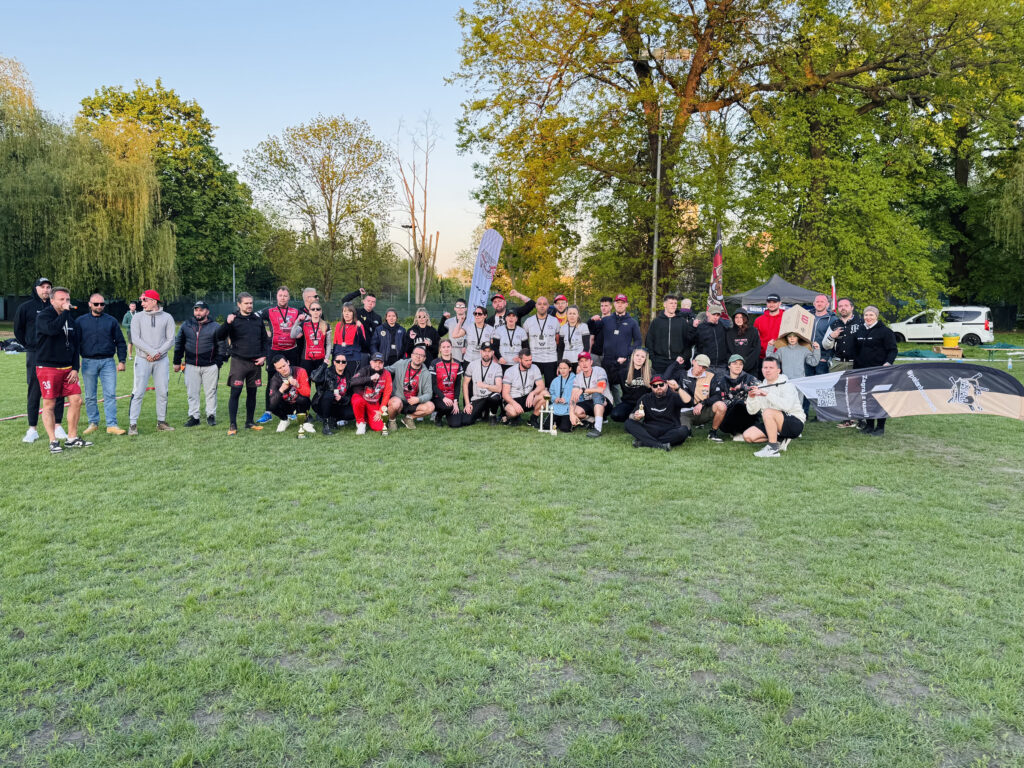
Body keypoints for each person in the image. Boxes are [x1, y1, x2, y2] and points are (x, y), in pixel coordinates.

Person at [34, 286, 92, 453]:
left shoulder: (70, 320)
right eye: (62, 299)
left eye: (67, 299)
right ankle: (53, 441)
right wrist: (65, 312)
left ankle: (72, 438)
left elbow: (75, 345)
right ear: (52, 301)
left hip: (68, 369)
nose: (66, 302)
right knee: (49, 404)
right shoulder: (43, 316)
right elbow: (52, 330)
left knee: (76, 400)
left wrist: (75, 368)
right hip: (48, 367)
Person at [14, 277, 66, 443]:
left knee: (58, 390)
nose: (45, 290)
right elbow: (18, 330)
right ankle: (32, 429)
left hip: (55, 354)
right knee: (34, 390)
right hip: (35, 354)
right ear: (36, 289)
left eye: (48, 287)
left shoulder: (56, 307)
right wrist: (30, 345)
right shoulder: (25, 307)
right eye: (42, 287)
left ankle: (58, 426)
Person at [215, 292, 270, 435]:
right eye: (246, 303)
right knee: (235, 393)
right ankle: (232, 425)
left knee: (252, 393)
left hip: (255, 363)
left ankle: (249, 422)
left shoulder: (257, 320)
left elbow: (265, 340)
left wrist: (264, 356)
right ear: (239, 304)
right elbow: (219, 336)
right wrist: (227, 323)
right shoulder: (233, 319)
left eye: (251, 303)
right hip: (239, 362)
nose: (249, 305)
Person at [75, 292, 128, 436]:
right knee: (90, 396)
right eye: (96, 304)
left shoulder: (111, 321)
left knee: (110, 394)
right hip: (88, 362)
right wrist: (75, 361)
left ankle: (112, 425)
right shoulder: (80, 321)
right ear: (90, 304)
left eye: (102, 304)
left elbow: (120, 342)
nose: (99, 306)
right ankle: (93, 423)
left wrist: (122, 361)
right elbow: (75, 343)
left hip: (108, 362)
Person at [128, 289, 176, 435]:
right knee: (138, 391)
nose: (142, 303)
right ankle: (132, 424)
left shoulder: (167, 317)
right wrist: (152, 353)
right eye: (141, 300)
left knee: (162, 391)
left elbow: (171, 340)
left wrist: (157, 354)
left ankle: (161, 422)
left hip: (161, 360)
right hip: (142, 359)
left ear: (154, 301)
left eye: (145, 300)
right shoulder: (137, 317)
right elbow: (135, 339)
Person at [173, 300, 225, 427]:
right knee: (192, 393)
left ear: (207, 311)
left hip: (210, 366)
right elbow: (179, 343)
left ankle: (211, 415)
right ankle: (194, 417)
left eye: (201, 310)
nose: (198, 312)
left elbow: (222, 345)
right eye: (196, 310)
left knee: (211, 392)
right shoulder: (186, 325)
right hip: (191, 365)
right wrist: (176, 361)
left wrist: (218, 363)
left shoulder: (215, 326)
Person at [741, 357, 806, 458]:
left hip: (794, 422)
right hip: (773, 422)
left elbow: (787, 406)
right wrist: (751, 398)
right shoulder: (761, 386)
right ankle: (780, 439)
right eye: (765, 367)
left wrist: (767, 394)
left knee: (767, 412)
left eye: (771, 368)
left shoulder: (787, 384)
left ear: (778, 371)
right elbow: (752, 411)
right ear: (762, 370)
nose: (767, 370)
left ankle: (773, 449)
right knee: (748, 436)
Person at [257, 286, 302, 424]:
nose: (283, 298)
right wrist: (264, 333)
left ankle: (292, 410)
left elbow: (307, 321)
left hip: (291, 350)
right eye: (280, 295)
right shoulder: (269, 311)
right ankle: (268, 412)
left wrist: (300, 330)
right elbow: (254, 317)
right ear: (276, 297)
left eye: (285, 296)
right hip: (274, 350)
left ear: (289, 297)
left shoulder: (296, 311)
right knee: (272, 381)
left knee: (292, 380)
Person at [851, 305, 898, 436]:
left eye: (871, 315)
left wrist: (888, 363)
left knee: (880, 399)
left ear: (876, 316)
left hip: (880, 371)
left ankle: (880, 427)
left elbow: (893, 350)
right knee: (867, 399)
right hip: (862, 372)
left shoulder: (885, 331)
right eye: (866, 315)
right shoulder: (859, 331)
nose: (868, 317)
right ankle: (870, 425)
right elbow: (855, 351)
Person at [624, 375, 691, 451]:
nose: (658, 387)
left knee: (683, 430)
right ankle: (659, 445)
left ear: (666, 385)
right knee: (628, 423)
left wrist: (678, 388)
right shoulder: (645, 398)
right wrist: (635, 416)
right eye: (655, 386)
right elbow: (631, 415)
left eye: (661, 384)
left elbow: (689, 403)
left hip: (670, 429)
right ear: (651, 387)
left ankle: (645, 442)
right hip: (651, 429)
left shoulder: (673, 396)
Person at [598, 294, 642, 399]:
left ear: (626, 304)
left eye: (622, 303)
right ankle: (605, 408)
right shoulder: (606, 320)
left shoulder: (632, 322)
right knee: (604, 388)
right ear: (614, 304)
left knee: (623, 389)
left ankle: (622, 407)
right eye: (618, 303)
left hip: (623, 361)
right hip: (607, 361)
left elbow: (638, 341)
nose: (620, 305)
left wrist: (627, 352)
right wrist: (591, 321)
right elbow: (595, 334)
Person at [676, 353, 729, 441]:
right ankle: (687, 429)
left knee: (721, 406)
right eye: (699, 365)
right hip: (685, 412)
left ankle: (713, 433)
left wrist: (702, 403)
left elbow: (717, 396)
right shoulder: (682, 374)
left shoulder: (711, 376)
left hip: (703, 410)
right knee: (684, 434)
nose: (701, 369)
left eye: (704, 367)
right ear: (693, 362)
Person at [769, 333, 821, 415]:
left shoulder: (804, 350)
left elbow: (813, 362)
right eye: (789, 337)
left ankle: (797, 420)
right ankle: (786, 419)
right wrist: (770, 346)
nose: (792, 339)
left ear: (798, 338)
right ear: (786, 338)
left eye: (794, 337)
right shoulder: (782, 350)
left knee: (798, 404)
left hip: (799, 381)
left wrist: (817, 349)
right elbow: (771, 360)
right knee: (785, 404)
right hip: (786, 382)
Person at [387, 345, 435, 430]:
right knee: (395, 403)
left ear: (424, 359)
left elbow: (429, 393)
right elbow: (387, 370)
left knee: (430, 407)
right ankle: (391, 420)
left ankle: (409, 418)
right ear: (412, 355)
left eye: (421, 355)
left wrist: (418, 399)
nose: (418, 357)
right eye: (416, 354)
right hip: (399, 399)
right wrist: (374, 369)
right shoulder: (400, 364)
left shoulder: (426, 373)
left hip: (414, 403)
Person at [310, 353, 355, 435]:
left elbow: (350, 394)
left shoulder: (349, 375)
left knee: (351, 413)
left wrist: (342, 399)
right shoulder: (327, 372)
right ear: (334, 362)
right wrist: (324, 365)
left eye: (343, 362)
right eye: (338, 361)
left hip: (339, 404)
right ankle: (326, 425)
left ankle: (333, 419)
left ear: (346, 363)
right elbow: (314, 378)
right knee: (329, 394)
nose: (341, 363)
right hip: (323, 403)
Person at [268, 355, 313, 436]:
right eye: (279, 368)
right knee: (271, 404)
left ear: (288, 362)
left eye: (284, 365)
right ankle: (284, 420)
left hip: (299, 403)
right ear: (276, 369)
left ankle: (305, 421)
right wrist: (281, 390)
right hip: (286, 405)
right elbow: (272, 403)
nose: (283, 369)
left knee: (304, 399)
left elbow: (307, 393)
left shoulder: (300, 371)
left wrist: (298, 385)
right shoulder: (275, 379)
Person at [646, 295, 691, 375]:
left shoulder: (682, 322)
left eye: (675, 303)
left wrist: (684, 357)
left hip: (678, 362)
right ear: (664, 304)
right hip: (659, 363)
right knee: (659, 383)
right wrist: (653, 358)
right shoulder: (656, 322)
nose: (673, 305)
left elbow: (688, 343)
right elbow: (649, 341)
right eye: (671, 303)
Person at [501, 349, 548, 427]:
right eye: (526, 360)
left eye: (530, 360)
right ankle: (507, 417)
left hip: (527, 397)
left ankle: (533, 419)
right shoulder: (510, 371)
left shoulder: (535, 367)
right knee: (513, 412)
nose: (529, 362)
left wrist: (532, 393)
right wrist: (514, 404)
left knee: (546, 395)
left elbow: (541, 386)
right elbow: (505, 394)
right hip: (513, 398)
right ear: (520, 360)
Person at [350, 352, 393, 434]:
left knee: (379, 427)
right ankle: (360, 423)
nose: (378, 365)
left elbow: (387, 393)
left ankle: (366, 418)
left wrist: (381, 410)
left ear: (383, 364)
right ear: (371, 363)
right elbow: (352, 381)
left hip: (373, 402)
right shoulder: (365, 370)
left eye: (380, 363)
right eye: (375, 362)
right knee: (357, 400)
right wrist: (370, 378)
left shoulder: (387, 374)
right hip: (361, 398)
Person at [462, 342, 504, 424]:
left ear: (493, 353)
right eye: (484, 351)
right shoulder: (472, 365)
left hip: (490, 397)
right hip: (477, 398)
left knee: (495, 397)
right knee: (466, 421)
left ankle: (492, 414)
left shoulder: (497, 367)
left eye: (489, 351)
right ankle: (483, 412)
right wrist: (467, 403)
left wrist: (485, 386)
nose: (486, 354)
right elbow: (465, 384)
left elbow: (499, 388)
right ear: (480, 352)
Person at [570, 351, 609, 438]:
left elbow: (600, 389)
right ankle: (592, 420)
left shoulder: (599, 370)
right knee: (575, 410)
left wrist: (583, 390)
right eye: (581, 361)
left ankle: (597, 429)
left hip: (604, 403)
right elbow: (573, 396)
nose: (584, 364)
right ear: (578, 364)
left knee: (596, 394)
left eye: (586, 360)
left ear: (591, 362)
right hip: (589, 403)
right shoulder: (578, 377)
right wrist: (571, 414)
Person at [521, 295, 560, 384]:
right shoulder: (528, 321)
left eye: (544, 304)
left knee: (550, 386)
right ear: (536, 306)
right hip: (534, 359)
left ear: (548, 306)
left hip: (550, 359)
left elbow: (557, 340)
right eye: (539, 304)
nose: (542, 306)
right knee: (533, 386)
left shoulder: (554, 321)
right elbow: (524, 340)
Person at [719, 355, 759, 437]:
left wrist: (743, 387)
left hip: (748, 413)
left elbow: (760, 388)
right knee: (735, 404)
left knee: (741, 404)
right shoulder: (723, 380)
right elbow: (720, 400)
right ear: (729, 365)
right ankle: (735, 431)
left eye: (740, 364)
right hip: (730, 414)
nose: (738, 366)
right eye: (735, 363)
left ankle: (742, 431)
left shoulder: (750, 378)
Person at [610, 347, 652, 421]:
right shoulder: (624, 371)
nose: (639, 358)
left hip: (644, 403)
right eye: (637, 355)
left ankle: (639, 416)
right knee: (615, 414)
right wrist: (617, 364)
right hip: (628, 403)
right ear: (633, 356)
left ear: (645, 359)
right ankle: (632, 416)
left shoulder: (651, 373)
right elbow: (613, 380)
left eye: (642, 357)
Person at [430, 340, 466, 427]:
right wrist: (443, 398)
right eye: (443, 347)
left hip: (451, 397)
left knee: (456, 424)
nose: (446, 349)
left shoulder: (457, 363)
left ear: (451, 348)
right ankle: (438, 416)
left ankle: (448, 413)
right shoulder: (435, 363)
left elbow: (457, 385)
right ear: (440, 349)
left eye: (448, 347)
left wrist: (456, 401)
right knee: (447, 406)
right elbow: (433, 385)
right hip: (439, 397)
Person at [291, 301, 330, 379]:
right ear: (309, 311)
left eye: (318, 309)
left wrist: (327, 358)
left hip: (320, 359)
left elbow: (328, 344)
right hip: (306, 359)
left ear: (321, 311)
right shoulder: (304, 324)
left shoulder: (326, 325)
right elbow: (293, 335)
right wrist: (297, 321)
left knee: (320, 383)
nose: (315, 311)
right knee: (306, 383)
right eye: (313, 309)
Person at [692, 302, 730, 371]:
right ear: (707, 313)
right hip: (705, 366)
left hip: (721, 366)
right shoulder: (700, 327)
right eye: (713, 314)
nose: (715, 317)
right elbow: (691, 342)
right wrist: (693, 328)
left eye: (718, 315)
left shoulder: (723, 326)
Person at [332, 302, 368, 368]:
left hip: (353, 357)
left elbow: (363, 343)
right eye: (345, 311)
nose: (347, 313)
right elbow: (335, 343)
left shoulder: (358, 325)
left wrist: (359, 329)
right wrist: (333, 359)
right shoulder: (338, 325)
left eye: (349, 311)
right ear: (342, 313)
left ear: (353, 313)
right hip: (340, 357)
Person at [726, 310, 761, 376]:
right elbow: (728, 350)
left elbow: (756, 350)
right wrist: (736, 365)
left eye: (741, 317)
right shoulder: (729, 332)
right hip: (734, 369)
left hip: (751, 369)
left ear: (746, 318)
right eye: (736, 317)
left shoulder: (753, 331)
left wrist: (745, 365)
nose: (739, 319)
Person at [808, 294, 835, 376]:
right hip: (807, 357)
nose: (819, 304)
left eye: (822, 302)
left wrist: (826, 357)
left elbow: (834, 340)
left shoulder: (833, 319)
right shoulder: (807, 316)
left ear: (827, 304)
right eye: (817, 301)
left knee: (820, 382)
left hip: (822, 359)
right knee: (806, 381)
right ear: (814, 303)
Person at [558, 305, 590, 371]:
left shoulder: (583, 326)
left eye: (574, 313)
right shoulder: (563, 328)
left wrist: (581, 363)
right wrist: (559, 364)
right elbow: (560, 348)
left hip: (578, 362)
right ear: (566, 315)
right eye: (570, 313)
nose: (572, 316)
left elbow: (586, 347)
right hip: (566, 362)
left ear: (578, 315)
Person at [547, 359, 576, 432]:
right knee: (547, 426)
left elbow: (579, 395)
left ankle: (567, 422)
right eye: (560, 368)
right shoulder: (555, 380)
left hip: (568, 409)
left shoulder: (575, 380)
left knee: (565, 429)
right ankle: (558, 421)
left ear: (570, 369)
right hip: (556, 407)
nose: (562, 370)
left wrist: (566, 400)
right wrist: (555, 398)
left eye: (565, 368)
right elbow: (551, 393)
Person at [753, 293, 784, 359]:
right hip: (762, 357)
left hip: (782, 357)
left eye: (774, 302)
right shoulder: (758, 320)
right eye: (769, 302)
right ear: (766, 303)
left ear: (780, 303)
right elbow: (754, 339)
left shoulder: (786, 318)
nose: (771, 305)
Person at [587, 296, 614, 368]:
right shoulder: (595, 321)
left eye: (606, 306)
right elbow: (591, 338)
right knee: (595, 374)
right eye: (602, 306)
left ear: (610, 307)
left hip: (609, 355)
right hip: (595, 354)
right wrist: (589, 353)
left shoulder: (615, 321)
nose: (603, 308)